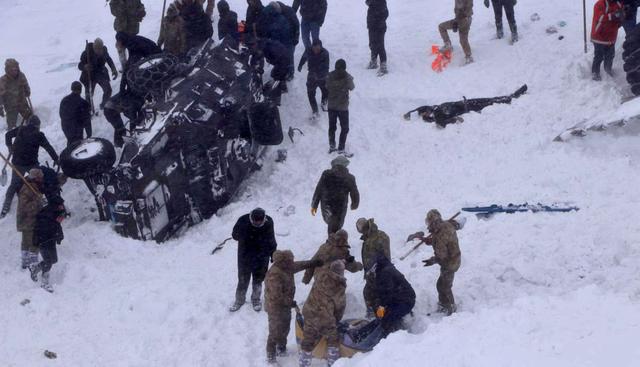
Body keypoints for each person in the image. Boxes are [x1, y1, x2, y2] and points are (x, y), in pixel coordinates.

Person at [264, 250, 321, 364]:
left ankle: (281, 347)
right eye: (290, 262)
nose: (292, 263)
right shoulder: (275, 274)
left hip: (285, 305)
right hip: (274, 306)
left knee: (285, 327)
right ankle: (271, 355)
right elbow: (276, 296)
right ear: (283, 262)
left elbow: (300, 265)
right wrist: (290, 303)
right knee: (275, 330)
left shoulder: (287, 267)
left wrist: (314, 262)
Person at [2, 115, 58, 218]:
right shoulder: (39, 135)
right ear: (37, 125)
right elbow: (48, 147)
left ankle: (6, 206)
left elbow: (7, 135)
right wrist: (56, 159)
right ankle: (46, 198)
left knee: (13, 184)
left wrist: (10, 147)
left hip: (17, 162)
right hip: (31, 163)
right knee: (41, 180)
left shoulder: (21, 129)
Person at [403, 84, 528, 127]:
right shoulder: (437, 116)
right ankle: (512, 97)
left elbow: (421, 108)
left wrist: (411, 112)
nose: (426, 112)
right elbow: (443, 123)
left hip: (466, 102)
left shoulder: (434, 108)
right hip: (468, 107)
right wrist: (455, 120)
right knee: (491, 102)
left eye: (425, 111)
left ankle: (510, 96)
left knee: (491, 99)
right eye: (425, 113)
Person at [299, 260, 347, 367]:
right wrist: (335, 320)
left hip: (309, 311)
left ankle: (303, 364)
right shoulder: (339, 285)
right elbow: (340, 307)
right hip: (325, 317)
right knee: (333, 339)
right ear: (341, 272)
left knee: (308, 339)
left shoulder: (321, 276)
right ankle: (333, 363)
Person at [230, 208, 278, 312]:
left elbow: (271, 239)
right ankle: (239, 300)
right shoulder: (243, 220)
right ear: (251, 218)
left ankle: (256, 299)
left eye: (259, 222)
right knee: (243, 279)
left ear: (263, 219)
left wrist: (273, 254)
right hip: (245, 255)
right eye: (255, 221)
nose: (257, 223)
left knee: (258, 280)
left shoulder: (269, 222)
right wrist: (244, 233)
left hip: (262, 256)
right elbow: (234, 235)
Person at [422, 209, 461, 316]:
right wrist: (428, 241)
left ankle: (451, 309)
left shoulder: (440, 234)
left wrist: (432, 260)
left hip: (450, 263)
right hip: (453, 258)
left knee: (444, 286)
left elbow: (441, 255)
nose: (428, 224)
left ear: (433, 222)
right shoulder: (444, 226)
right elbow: (441, 239)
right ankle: (444, 304)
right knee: (441, 284)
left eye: (429, 222)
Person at [311, 155, 359, 234]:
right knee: (336, 225)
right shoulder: (349, 178)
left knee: (331, 223)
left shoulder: (326, 174)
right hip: (340, 206)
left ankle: (332, 241)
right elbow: (355, 193)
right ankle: (333, 242)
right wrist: (355, 204)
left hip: (327, 205)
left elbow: (318, 189)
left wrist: (314, 205)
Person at [28, 195, 66, 293]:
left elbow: (57, 226)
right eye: (61, 206)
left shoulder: (54, 213)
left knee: (54, 260)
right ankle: (44, 282)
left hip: (50, 240)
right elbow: (45, 227)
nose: (62, 207)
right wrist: (38, 241)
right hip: (43, 240)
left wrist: (59, 236)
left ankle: (36, 268)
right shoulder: (46, 214)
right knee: (49, 261)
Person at [370, 256, 415, 336]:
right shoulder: (384, 269)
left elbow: (387, 292)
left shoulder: (385, 273)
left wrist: (381, 307)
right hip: (399, 300)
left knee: (387, 319)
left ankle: (385, 337)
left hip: (406, 301)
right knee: (384, 316)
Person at [356, 217, 390, 317]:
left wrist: (380, 270)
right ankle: (372, 314)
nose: (360, 230)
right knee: (368, 293)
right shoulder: (368, 238)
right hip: (371, 274)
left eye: (360, 227)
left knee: (379, 296)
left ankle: (383, 316)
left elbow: (385, 256)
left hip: (380, 273)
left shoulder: (380, 236)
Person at [78, 38, 119, 110]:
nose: (99, 51)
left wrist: (114, 69)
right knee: (89, 94)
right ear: (94, 47)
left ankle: (103, 105)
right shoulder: (86, 52)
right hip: (89, 75)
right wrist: (85, 67)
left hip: (101, 73)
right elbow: (80, 65)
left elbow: (108, 59)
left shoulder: (104, 50)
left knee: (108, 90)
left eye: (100, 49)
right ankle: (90, 109)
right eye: (97, 49)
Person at [16, 168, 44, 269]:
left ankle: (26, 262)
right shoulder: (27, 189)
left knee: (27, 241)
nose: (42, 179)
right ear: (36, 178)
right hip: (27, 220)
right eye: (40, 177)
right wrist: (38, 201)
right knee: (32, 242)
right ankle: (31, 263)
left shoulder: (34, 186)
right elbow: (24, 207)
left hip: (30, 220)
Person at [325, 59, 355, 154]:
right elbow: (352, 87)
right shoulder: (347, 77)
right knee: (344, 128)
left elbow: (327, 86)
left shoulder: (330, 76)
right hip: (342, 107)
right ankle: (341, 148)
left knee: (332, 127)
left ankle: (332, 146)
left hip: (332, 106)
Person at [591, 0, 625, 80]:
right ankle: (595, 72)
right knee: (599, 56)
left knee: (610, 55)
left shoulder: (619, 4)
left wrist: (623, 16)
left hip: (611, 36)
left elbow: (621, 19)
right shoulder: (599, 4)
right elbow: (599, 17)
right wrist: (613, 15)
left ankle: (608, 70)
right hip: (599, 36)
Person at [109, 0, 147, 67]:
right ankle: (124, 66)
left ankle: (133, 66)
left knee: (133, 48)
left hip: (132, 28)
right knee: (120, 48)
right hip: (121, 28)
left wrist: (141, 11)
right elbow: (113, 10)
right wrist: (121, 7)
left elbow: (140, 5)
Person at [298, 39, 329, 118]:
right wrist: (300, 65)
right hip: (311, 75)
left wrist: (319, 75)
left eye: (317, 49)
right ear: (312, 47)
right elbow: (304, 57)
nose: (316, 50)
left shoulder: (325, 53)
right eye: (314, 48)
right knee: (310, 93)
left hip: (322, 76)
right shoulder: (308, 50)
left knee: (325, 90)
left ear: (321, 47)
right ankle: (315, 110)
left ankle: (324, 101)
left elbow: (326, 67)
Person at [439, 0, 474, 64]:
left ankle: (468, 56)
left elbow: (465, 9)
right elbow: (459, 9)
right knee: (463, 39)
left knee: (441, 27)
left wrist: (457, 21)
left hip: (463, 20)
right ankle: (468, 55)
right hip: (463, 19)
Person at [0, 58, 31, 130]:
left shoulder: (21, 76)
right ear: (7, 70)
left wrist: (27, 91)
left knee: (31, 119)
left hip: (22, 103)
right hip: (10, 107)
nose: (15, 71)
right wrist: (0, 107)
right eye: (12, 70)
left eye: (16, 69)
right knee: (11, 127)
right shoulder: (3, 80)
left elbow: (26, 85)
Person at [59, 81, 92, 147]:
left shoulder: (64, 100)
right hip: (77, 129)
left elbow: (61, 114)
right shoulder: (83, 103)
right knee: (78, 146)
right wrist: (89, 133)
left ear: (71, 89)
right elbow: (87, 119)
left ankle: (68, 152)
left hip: (66, 127)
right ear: (81, 90)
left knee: (71, 141)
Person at [276, 1, 301, 79]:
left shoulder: (289, 11)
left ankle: (290, 73)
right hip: (281, 38)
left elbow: (296, 24)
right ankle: (281, 71)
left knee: (289, 56)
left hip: (291, 38)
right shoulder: (276, 13)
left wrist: (296, 38)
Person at [366, 0, 389, 76]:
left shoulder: (381, 1)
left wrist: (378, 20)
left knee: (380, 46)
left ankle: (383, 65)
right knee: (372, 44)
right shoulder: (371, 4)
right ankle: (373, 61)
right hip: (371, 26)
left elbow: (386, 13)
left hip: (379, 28)